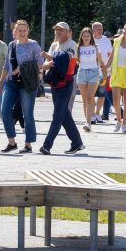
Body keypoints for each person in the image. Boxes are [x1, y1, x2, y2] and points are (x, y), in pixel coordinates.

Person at [0, 19, 43, 153]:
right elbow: (6, 66)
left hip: (27, 84)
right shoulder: (11, 45)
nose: (22, 33)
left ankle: (28, 144)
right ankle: (11, 142)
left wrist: (22, 69)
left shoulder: (33, 45)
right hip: (11, 82)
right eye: (19, 30)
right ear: (15, 32)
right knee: (5, 110)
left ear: (28, 31)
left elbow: (40, 63)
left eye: (24, 30)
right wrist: (0, 83)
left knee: (27, 113)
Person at [39, 23, 84, 155]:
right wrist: (47, 63)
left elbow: (65, 58)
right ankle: (77, 143)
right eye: (56, 30)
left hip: (66, 83)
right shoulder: (54, 45)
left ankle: (47, 146)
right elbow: (48, 65)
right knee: (64, 115)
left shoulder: (72, 44)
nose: (57, 32)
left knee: (57, 115)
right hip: (55, 83)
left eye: (60, 30)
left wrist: (48, 57)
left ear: (68, 32)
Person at [75, 27, 101, 132]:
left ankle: (88, 123)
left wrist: (103, 73)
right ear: (81, 37)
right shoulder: (78, 48)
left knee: (90, 97)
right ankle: (87, 120)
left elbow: (100, 61)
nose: (86, 37)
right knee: (85, 99)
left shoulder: (96, 47)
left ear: (91, 37)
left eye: (88, 36)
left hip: (93, 72)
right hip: (82, 72)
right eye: (84, 36)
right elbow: (76, 62)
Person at [92, 22, 113, 124]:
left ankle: (97, 113)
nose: (100, 30)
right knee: (91, 95)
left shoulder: (106, 40)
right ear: (93, 30)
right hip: (91, 71)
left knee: (102, 94)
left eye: (101, 28)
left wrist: (109, 68)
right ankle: (91, 115)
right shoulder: (89, 39)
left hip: (104, 72)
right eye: (97, 29)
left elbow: (110, 54)